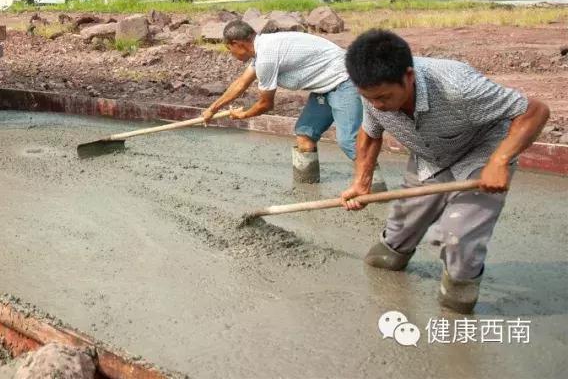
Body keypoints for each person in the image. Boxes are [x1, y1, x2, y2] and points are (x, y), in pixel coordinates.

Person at [341, 30, 548, 313]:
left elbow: (534, 111)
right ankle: (394, 251)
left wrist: (499, 162)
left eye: (385, 96)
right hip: (430, 155)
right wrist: (361, 183)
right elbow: (370, 132)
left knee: (459, 236)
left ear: (409, 77)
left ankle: (457, 301)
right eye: (370, 97)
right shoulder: (371, 92)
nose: (377, 104)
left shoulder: (457, 86)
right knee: (396, 236)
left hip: (482, 153)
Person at [202, 20, 384, 187]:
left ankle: (376, 189)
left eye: (229, 49)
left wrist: (244, 115)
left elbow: (266, 104)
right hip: (325, 87)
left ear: (237, 43)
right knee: (305, 134)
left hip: (345, 80)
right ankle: (306, 188)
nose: (231, 54)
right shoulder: (263, 48)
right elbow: (241, 83)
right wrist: (212, 109)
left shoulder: (266, 56)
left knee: (349, 141)